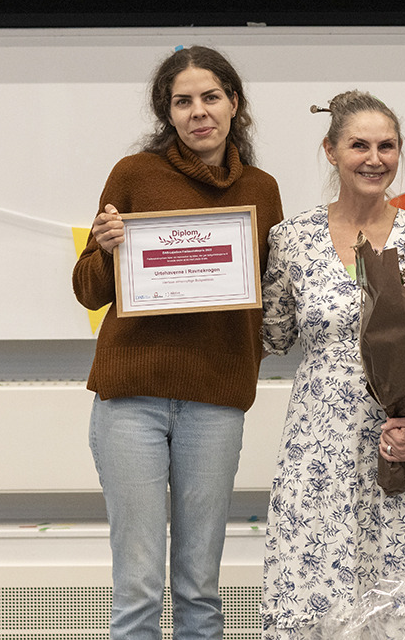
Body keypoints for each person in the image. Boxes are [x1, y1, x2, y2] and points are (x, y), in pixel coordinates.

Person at [72, 45, 283, 640]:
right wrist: (106, 250)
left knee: (199, 587)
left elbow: (274, 295)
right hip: (130, 400)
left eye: (210, 97)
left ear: (234, 103)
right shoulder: (133, 174)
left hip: (216, 401)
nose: (198, 112)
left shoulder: (262, 189)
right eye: (182, 101)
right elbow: (87, 291)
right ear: (168, 113)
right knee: (138, 586)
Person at [259, 91, 405, 639]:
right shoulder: (290, 240)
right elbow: (273, 335)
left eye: (387, 146)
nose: (375, 159)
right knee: (318, 595)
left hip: (403, 445)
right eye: (359, 146)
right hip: (318, 448)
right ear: (330, 151)